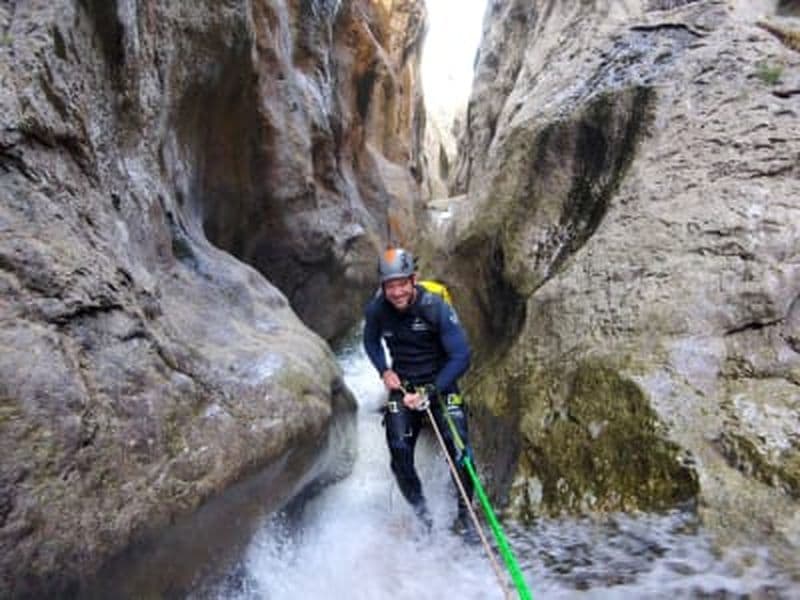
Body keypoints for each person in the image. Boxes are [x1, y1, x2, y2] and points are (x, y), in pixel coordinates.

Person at [363, 247, 477, 539]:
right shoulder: (377, 309)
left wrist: (431, 390)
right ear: (383, 286)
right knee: (399, 452)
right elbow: (371, 343)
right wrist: (383, 371)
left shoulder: (435, 306)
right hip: (404, 387)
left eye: (402, 283)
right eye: (391, 285)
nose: (397, 292)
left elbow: (461, 356)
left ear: (413, 279)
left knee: (460, 449)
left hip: (440, 385)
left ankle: (465, 517)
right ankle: (423, 517)